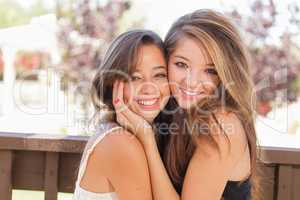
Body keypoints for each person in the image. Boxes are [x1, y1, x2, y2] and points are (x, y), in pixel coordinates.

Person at [113, 9, 259, 200]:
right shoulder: (171, 113)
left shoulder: (222, 124)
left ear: (225, 75)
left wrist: (147, 140)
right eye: (181, 65)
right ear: (166, 62)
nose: (191, 82)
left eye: (210, 71)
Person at [73, 29, 170, 200]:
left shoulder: (131, 133)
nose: (149, 88)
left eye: (159, 75)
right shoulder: (120, 142)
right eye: (135, 77)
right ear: (112, 84)